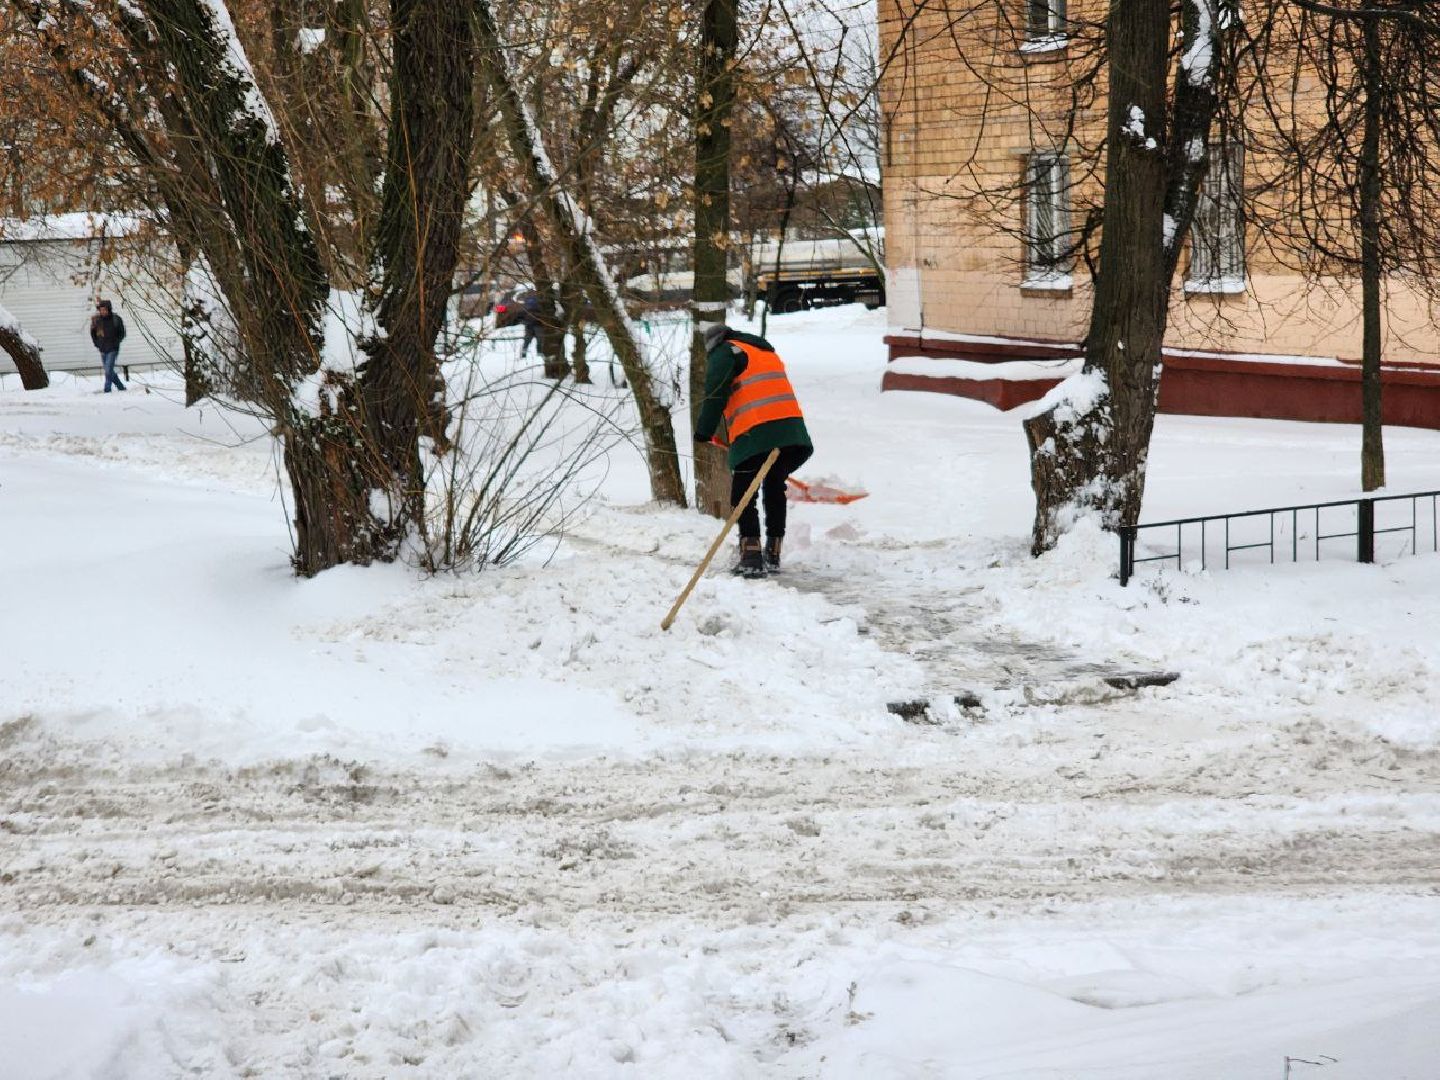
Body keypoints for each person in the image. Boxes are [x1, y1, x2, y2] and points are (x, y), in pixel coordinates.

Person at [693, 322, 813, 577]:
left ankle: (751, 555)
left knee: (743, 494)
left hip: (757, 432)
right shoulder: (762, 350)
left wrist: (704, 431)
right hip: (791, 432)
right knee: (774, 486)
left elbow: (716, 393)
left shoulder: (725, 352)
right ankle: (773, 552)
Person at [90, 299, 127, 392]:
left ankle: (107, 389)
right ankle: (120, 387)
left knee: (108, 370)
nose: (102, 312)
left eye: (104, 310)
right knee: (109, 370)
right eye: (101, 310)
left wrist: (116, 341)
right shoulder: (97, 321)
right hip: (102, 348)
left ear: (109, 309)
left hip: (113, 348)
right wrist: (97, 344)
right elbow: (93, 334)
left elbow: (122, 333)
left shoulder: (116, 319)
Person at [518, 291, 542, 357]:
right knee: (539, 340)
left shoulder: (527, 301)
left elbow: (522, 313)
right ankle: (539, 353)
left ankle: (524, 353)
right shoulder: (539, 301)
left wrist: (523, 320)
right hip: (537, 324)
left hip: (530, 324)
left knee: (527, 340)